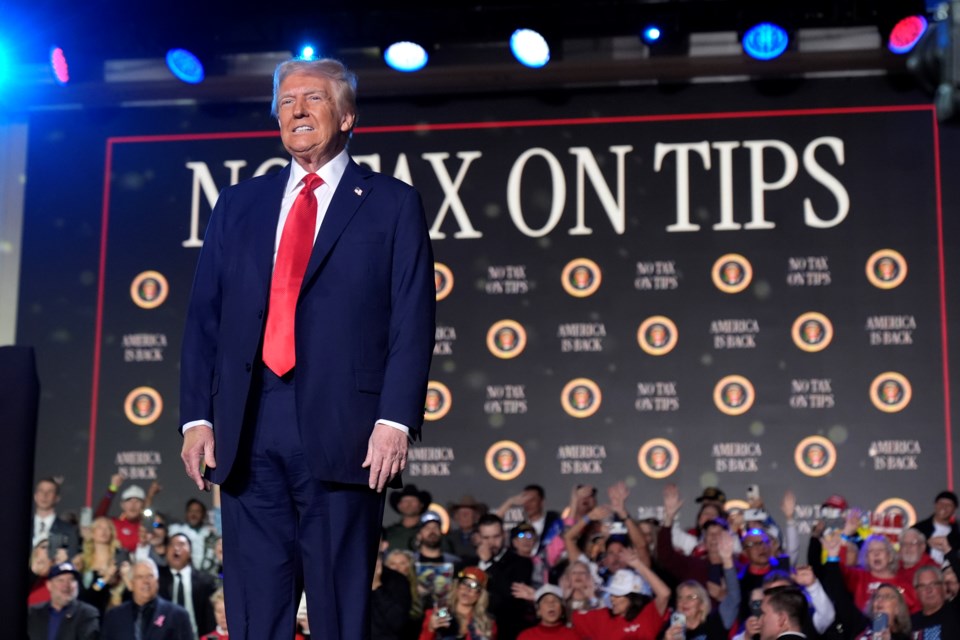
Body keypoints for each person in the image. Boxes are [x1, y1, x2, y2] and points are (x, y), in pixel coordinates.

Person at [179, 57, 435, 640]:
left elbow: (413, 319)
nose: (296, 109)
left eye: (313, 98)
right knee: (252, 612)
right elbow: (204, 321)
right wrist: (197, 416)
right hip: (247, 427)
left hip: (348, 431)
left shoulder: (391, 203)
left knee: (338, 612)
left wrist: (394, 420)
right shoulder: (238, 205)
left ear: (347, 116)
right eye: (286, 101)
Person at [570, 561, 671, 640]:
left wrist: (638, 565)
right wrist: (587, 596)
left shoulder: (647, 616)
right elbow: (575, 617)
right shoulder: (603, 617)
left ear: (632, 597)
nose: (612, 598)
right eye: (612, 594)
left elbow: (664, 593)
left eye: (618, 595)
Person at [101, 559, 193, 640]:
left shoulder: (177, 615)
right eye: (140, 577)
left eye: (150, 576)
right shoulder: (114, 616)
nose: (145, 581)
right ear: (132, 583)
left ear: (157, 581)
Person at [159, 532, 217, 637]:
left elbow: (210, 618)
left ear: (190, 552)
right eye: (172, 544)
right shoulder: (157, 579)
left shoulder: (205, 581)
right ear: (166, 551)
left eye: (181, 544)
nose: (176, 548)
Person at [27, 561, 100, 640]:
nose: (66, 585)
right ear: (49, 585)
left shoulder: (87, 614)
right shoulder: (32, 613)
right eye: (60, 580)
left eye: (72, 580)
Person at [420, 567, 497, 640]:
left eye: (474, 586)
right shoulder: (438, 613)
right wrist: (430, 629)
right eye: (464, 583)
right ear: (457, 587)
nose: (467, 589)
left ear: (480, 594)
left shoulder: (487, 623)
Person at [32, 477, 82, 560]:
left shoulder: (69, 531)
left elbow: (72, 562)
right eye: (41, 491)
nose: (45, 495)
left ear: (57, 498)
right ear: (35, 496)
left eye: (50, 492)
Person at [910, 565, 960, 638]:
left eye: (933, 584)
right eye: (922, 586)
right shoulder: (910, 623)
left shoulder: (956, 611)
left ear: (943, 587)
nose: (928, 590)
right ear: (916, 592)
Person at [913, 490, 960, 564]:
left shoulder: (957, 533)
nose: (944, 507)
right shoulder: (918, 530)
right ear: (935, 505)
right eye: (941, 503)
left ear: (954, 509)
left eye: (949, 505)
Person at [387, 485, 434, 552]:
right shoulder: (389, 533)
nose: (409, 504)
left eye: (413, 500)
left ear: (421, 504)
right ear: (399, 506)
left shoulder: (432, 532)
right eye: (405, 501)